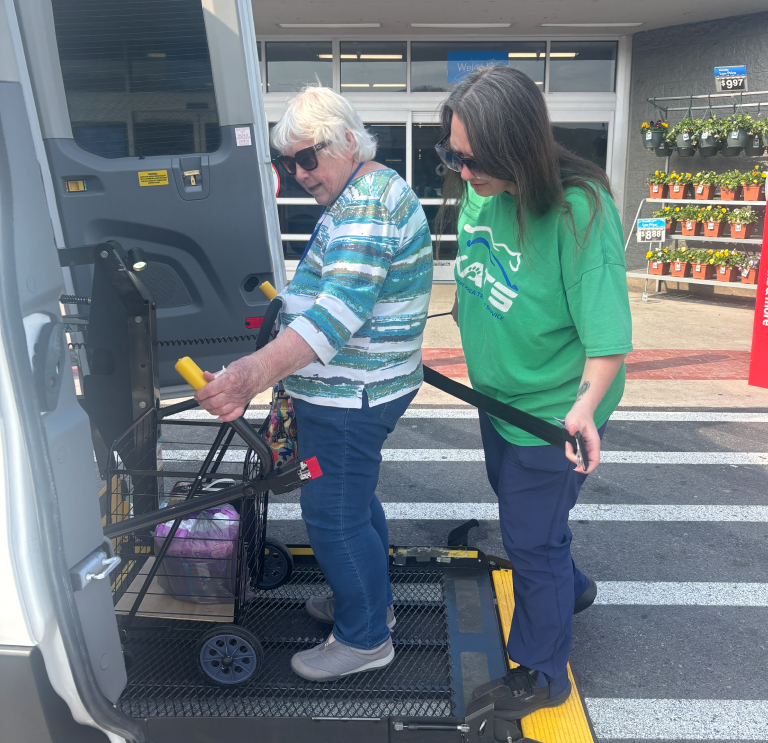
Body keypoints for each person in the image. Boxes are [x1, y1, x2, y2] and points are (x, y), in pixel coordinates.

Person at [194, 86, 433, 681]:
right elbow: (331, 295)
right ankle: (370, 602)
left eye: (309, 158)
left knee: (333, 514)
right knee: (353, 500)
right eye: (288, 163)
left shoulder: (366, 204)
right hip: (362, 387)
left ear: (349, 141)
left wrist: (248, 374)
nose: (300, 173)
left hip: (353, 395)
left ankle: (364, 637)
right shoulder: (364, 189)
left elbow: (338, 313)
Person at [435, 66, 632, 718]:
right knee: (531, 522)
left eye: (473, 158)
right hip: (498, 399)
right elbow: (473, 276)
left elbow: (607, 339)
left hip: (555, 411)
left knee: (530, 541)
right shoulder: (478, 192)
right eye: (453, 155)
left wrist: (582, 409)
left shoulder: (579, 209)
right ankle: (569, 585)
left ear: (517, 144)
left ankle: (545, 673)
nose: (463, 172)